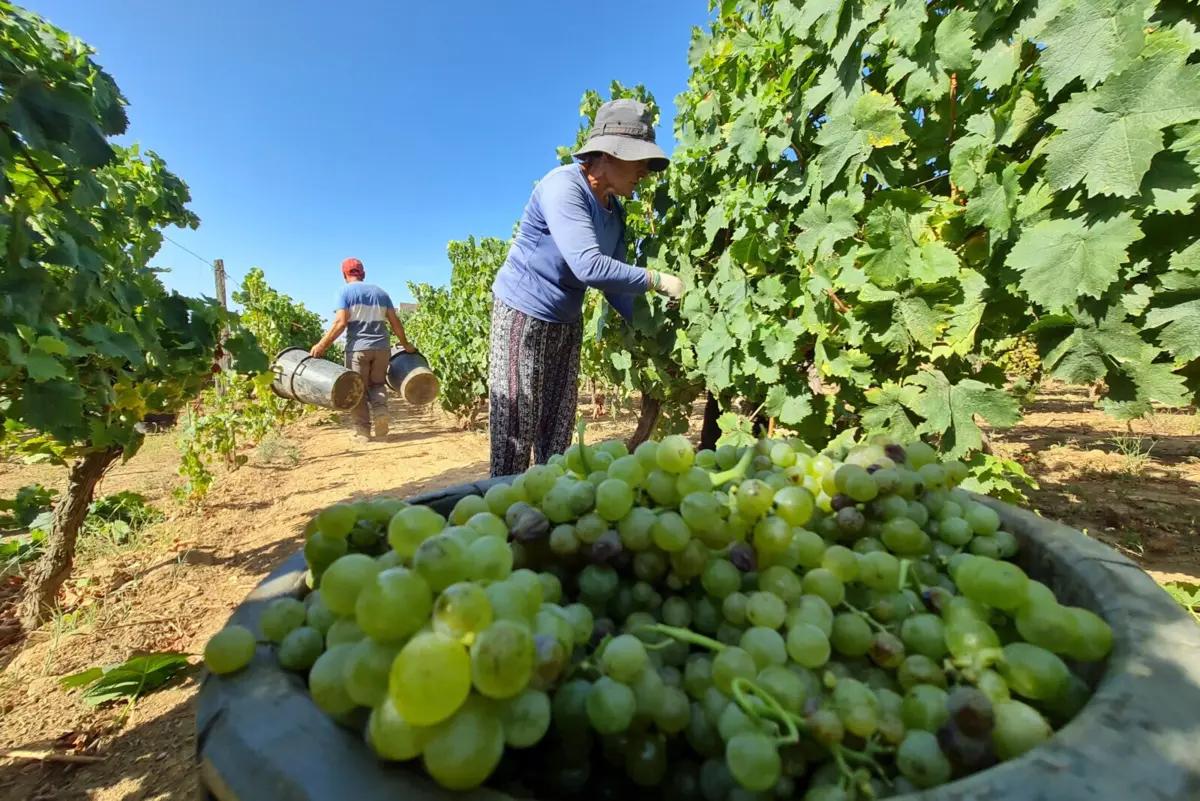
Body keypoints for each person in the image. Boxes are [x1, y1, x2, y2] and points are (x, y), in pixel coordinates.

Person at [489, 98, 683, 478]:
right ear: (609, 154)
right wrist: (657, 279)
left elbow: (615, 289)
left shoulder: (617, 212)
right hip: (522, 317)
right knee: (516, 429)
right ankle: (504, 512)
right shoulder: (564, 187)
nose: (644, 171)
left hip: (566, 321)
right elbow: (589, 265)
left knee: (556, 432)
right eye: (639, 159)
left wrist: (659, 334)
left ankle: (547, 514)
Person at [311, 258, 415, 442]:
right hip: (382, 348)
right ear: (363, 274)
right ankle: (381, 413)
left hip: (358, 349)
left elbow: (340, 322)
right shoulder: (381, 293)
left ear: (344, 275)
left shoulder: (344, 292)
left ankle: (363, 432)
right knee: (377, 384)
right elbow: (395, 322)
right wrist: (405, 344)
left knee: (356, 389)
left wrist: (321, 345)